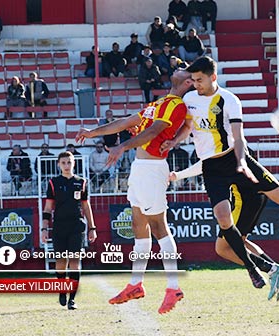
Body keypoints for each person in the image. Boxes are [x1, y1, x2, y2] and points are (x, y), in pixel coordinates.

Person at [162, 56, 279, 293]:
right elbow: (188, 128)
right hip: (212, 167)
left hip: (235, 158)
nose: (195, 84)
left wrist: (241, 161)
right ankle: (253, 269)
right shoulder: (189, 99)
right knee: (222, 216)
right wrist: (174, 141)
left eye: (199, 80)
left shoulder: (229, 100)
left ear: (213, 77)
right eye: (193, 80)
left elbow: (238, 136)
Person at [75, 69, 195, 314]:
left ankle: (173, 287)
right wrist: (92, 133)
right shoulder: (159, 102)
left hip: (152, 168)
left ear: (188, 82)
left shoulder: (177, 105)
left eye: (183, 70)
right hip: (141, 167)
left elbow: (153, 132)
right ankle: (135, 284)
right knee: (139, 225)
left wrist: (123, 147)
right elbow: (127, 121)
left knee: (159, 226)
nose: (177, 69)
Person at [170, 159, 279, 300]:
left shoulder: (221, 146)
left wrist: (178, 175)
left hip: (245, 199)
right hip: (256, 195)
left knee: (223, 248)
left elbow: (206, 163)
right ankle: (276, 272)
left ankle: (274, 270)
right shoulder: (236, 147)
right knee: (240, 241)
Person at [41, 151, 97, 310]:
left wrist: (92, 228)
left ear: (74, 164)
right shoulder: (53, 183)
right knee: (60, 262)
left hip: (76, 226)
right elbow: (48, 207)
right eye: (63, 162)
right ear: (59, 164)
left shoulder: (82, 182)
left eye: (69, 162)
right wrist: (44, 228)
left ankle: (72, 299)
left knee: (74, 261)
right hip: (59, 226)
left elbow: (86, 206)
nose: (66, 165)